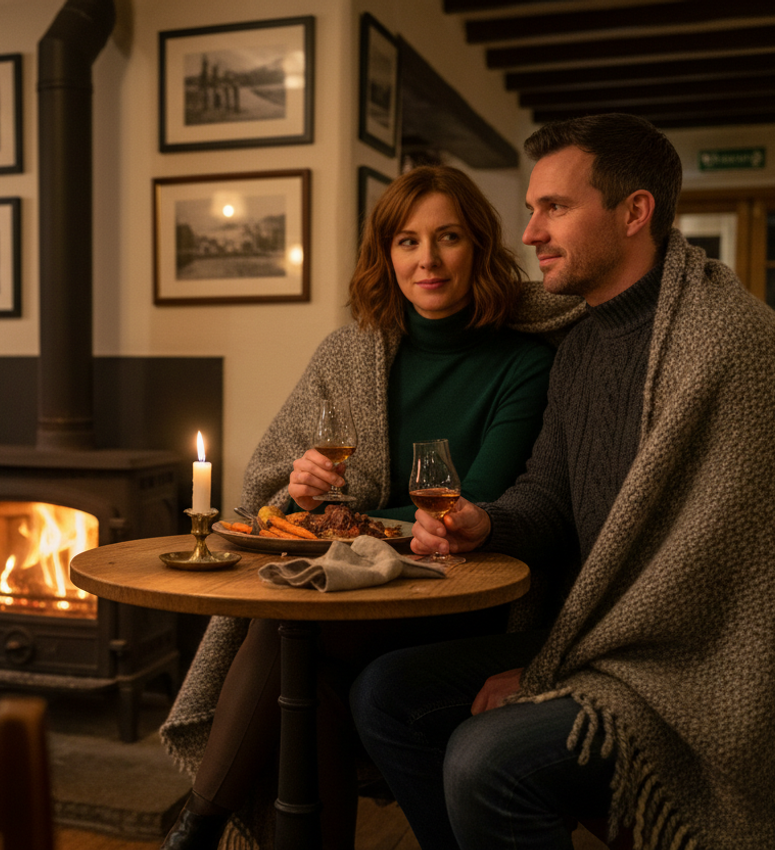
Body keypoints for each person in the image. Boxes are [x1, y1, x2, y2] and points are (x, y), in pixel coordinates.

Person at [350, 113, 775, 850]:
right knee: (386, 694)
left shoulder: (733, 344)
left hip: (687, 665)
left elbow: (721, 586)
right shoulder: (579, 345)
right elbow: (546, 496)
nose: (530, 233)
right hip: (590, 635)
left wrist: (557, 674)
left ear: (634, 211)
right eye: (531, 209)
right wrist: (484, 523)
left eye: (555, 207)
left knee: (485, 758)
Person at [158, 165, 582, 849]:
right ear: (386, 255)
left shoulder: (522, 364)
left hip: (454, 595)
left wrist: (356, 515)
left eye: (447, 238)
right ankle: (204, 827)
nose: (428, 260)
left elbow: (472, 504)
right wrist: (300, 489)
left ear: (477, 245)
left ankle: (197, 823)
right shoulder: (350, 353)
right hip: (351, 587)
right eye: (407, 242)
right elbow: (272, 491)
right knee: (309, 675)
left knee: (290, 628)